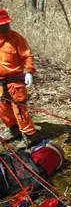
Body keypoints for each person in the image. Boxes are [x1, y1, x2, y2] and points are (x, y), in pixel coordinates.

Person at [0, 9, 38, 146]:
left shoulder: (17, 38)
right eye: (1, 25)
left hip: (15, 81)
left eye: (6, 24)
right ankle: (13, 130)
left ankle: (29, 136)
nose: (4, 28)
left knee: (20, 109)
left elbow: (27, 56)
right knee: (3, 109)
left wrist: (29, 71)